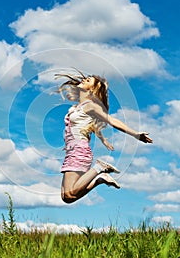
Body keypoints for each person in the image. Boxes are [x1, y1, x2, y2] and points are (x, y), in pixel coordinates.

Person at [55, 70, 153, 204]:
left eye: (88, 80)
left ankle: (99, 168)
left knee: (69, 195)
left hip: (78, 151)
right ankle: (100, 179)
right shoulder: (77, 107)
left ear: (92, 90)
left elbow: (112, 121)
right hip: (72, 152)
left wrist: (135, 134)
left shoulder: (91, 106)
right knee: (67, 197)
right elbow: (87, 126)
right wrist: (102, 138)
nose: (84, 79)